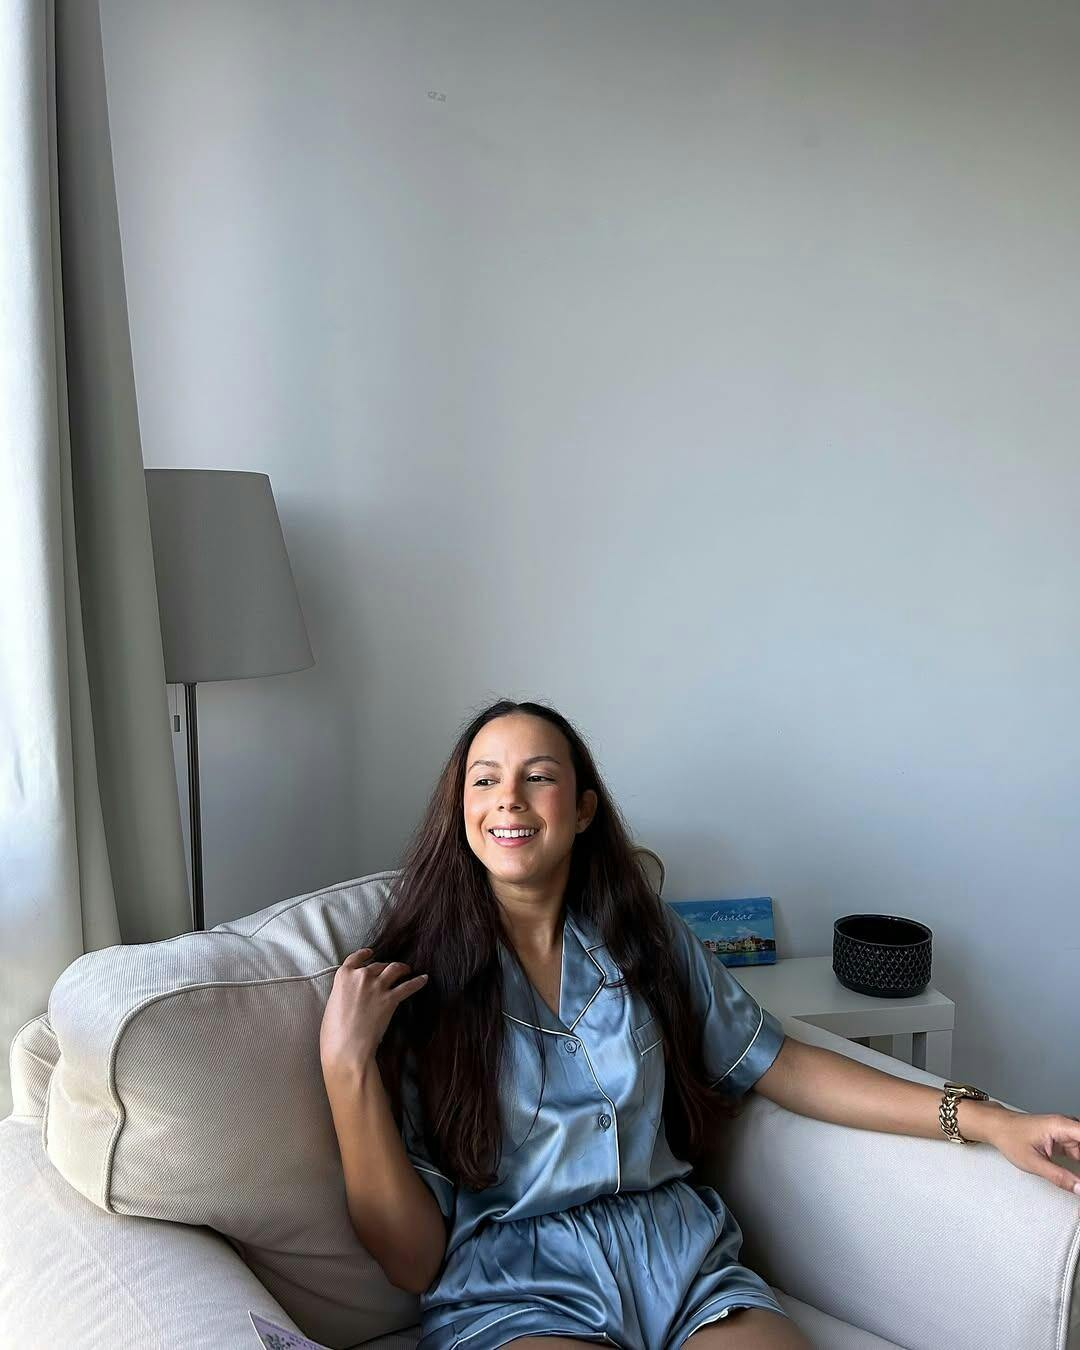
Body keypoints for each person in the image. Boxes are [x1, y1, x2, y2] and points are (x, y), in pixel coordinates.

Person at [320, 699, 1080, 1350]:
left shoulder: (646, 937)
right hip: (515, 1286)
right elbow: (411, 1261)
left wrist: (984, 1119)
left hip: (681, 1259)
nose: (509, 799)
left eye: (538, 776)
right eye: (485, 780)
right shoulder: (416, 981)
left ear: (582, 810)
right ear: (460, 811)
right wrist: (345, 1070)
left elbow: (782, 1063)